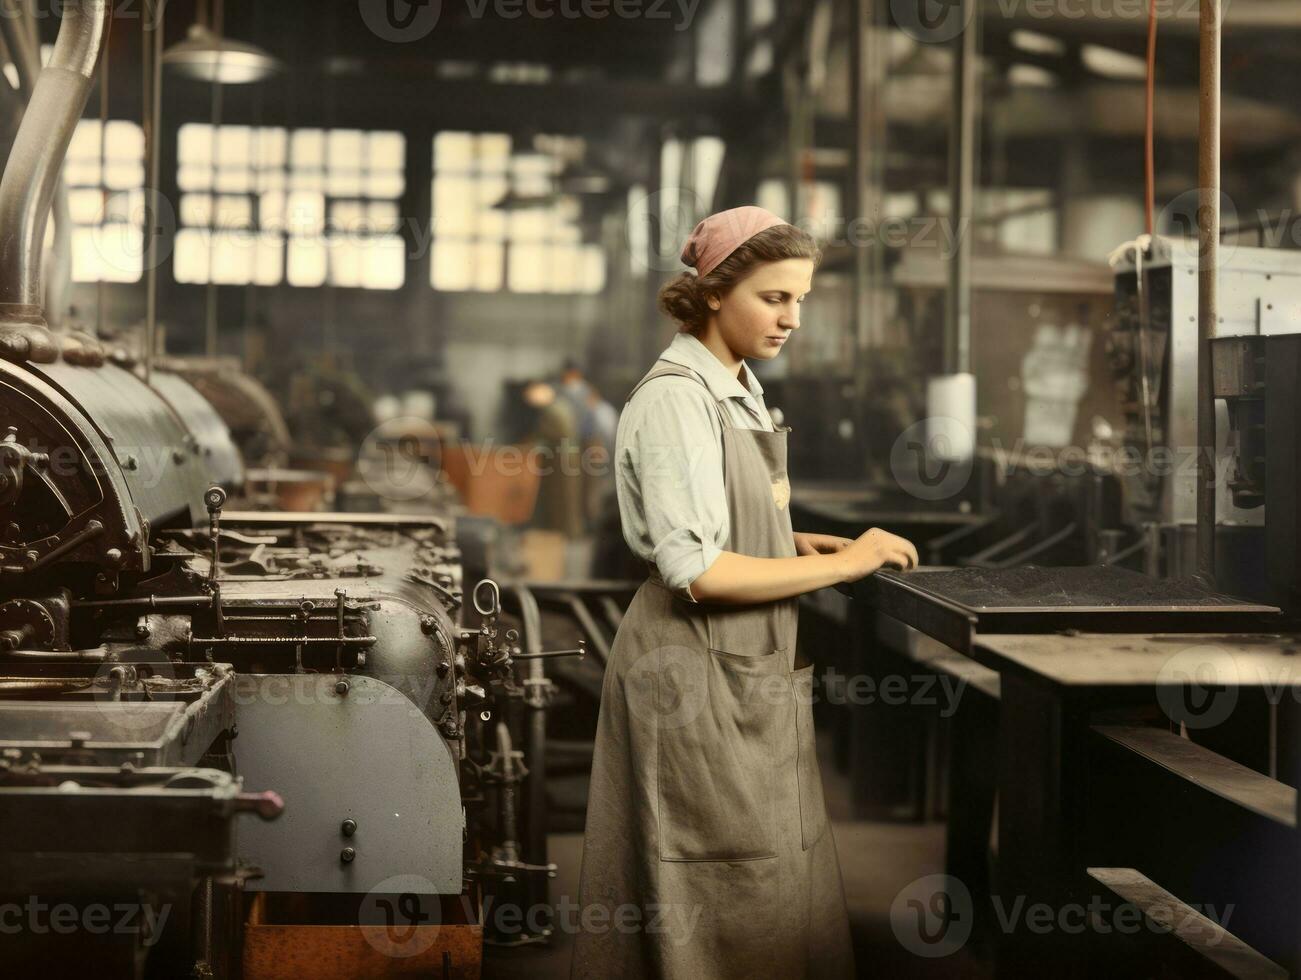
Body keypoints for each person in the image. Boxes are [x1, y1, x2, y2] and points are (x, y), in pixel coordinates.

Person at [570, 206, 919, 979]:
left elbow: (715, 522)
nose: (792, 318)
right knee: (708, 881)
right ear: (715, 294)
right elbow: (694, 570)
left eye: (799, 299)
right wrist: (845, 563)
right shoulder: (675, 400)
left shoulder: (738, 387)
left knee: (765, 877)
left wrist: (788, 539)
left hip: (745, 668)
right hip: (690, 674)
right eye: (773, 298)